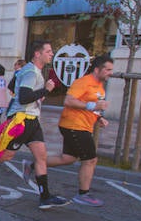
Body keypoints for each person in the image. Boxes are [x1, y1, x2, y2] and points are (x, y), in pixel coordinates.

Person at [0, 41, 69, 209]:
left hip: (32, 120)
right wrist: (45, 90)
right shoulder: (31, 72)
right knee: (5, 156)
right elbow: (23, 97)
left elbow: (14, 88)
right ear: (37, 54)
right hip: (21, 121)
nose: (51, 54)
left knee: (41, 157)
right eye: (48, 51)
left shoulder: (29, 70)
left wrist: (38, 96)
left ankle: (45, 197)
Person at [43, 55, 114, 207]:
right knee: (90, 159)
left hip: (83, 125)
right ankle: (83, 194)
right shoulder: (83, 82)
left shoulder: (100, 86)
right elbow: (68, 100)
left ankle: (35, 165)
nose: (110, 73)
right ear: (97, 69)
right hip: (74, 125)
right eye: (107, 69)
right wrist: (92, 106)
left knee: (68, 158)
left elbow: (93, 107)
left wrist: (98, 118)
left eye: (111, 70)